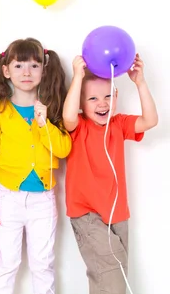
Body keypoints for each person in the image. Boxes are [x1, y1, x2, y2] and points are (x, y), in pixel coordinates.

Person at [0, 38, 71, 294]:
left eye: (34, 65)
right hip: (7, 197)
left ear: (44, 69)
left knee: (42, 264)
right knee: (6, 263)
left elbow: (63, 149)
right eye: (19, 66)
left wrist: (45, 125)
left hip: (43, 199)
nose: (27, 72)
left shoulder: (52, 109)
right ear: (6, 71)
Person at [62, 54, 157, 293]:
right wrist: (77, 78)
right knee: (110, 277)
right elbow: (68, 116)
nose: (102, 103)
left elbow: (150, 120)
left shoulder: (119, 124)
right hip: (87, 215)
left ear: (116, 97)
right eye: (93, 98)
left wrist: (140, 82)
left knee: (117, 278)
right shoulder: (78, 126)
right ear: (81, 102)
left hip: (118, 214)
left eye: (107, 96)